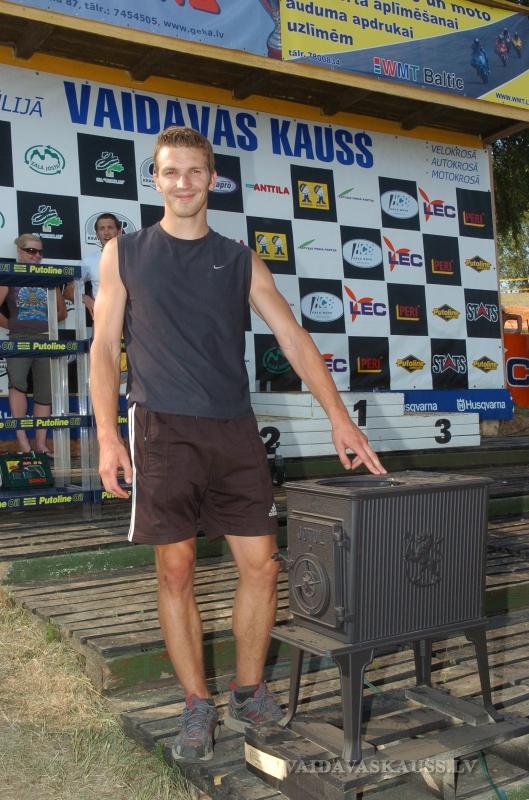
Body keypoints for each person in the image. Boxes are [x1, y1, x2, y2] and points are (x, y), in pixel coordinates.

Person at [90, 126, 386, 763]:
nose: (184, 183)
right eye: (172, 172)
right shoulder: (124, 253)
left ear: (212, 179)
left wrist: (340, 418)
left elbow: (293, 337)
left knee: (263, 566)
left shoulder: (240, 259)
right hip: (161, 429)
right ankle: (196, 704)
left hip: (233, 431)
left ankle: (249, 693)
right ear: (156, 178)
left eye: (195, 171)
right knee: (176, 571)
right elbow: (104, 347)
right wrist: (109, 436)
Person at [0, 234, 67, 454]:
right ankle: (22, 441)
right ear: (19, 251)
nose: (36, 256)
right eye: (31, 251)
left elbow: (62, 312)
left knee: (45, 391)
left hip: (47, 339)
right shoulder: (9, 275)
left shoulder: (48, 277)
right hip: (19, 339)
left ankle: (40, 443)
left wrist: (43, 323)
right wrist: (13, 325)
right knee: (17, 384)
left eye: (39, 252)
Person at [63, 213, 122, 318]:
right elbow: (68, 292)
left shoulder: (134, 257)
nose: (106, 232)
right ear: (97, 235)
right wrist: (87, 299)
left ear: (119, 232)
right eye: (102, 228)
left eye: (110, 228)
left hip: (134, 318)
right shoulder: (89, 261)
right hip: (104, 318)